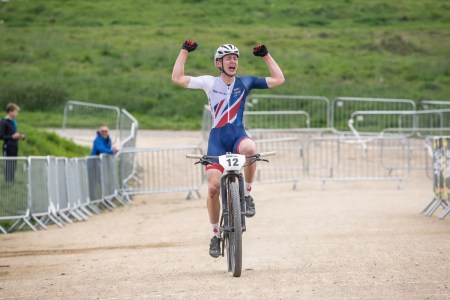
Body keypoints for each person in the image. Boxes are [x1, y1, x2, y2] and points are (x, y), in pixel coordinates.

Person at [172, 41, 285, 257]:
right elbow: (177, 78)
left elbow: (279, 79)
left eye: (236, 58)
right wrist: (184, 51)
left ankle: (248, 195)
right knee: (213, 188)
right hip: (217, 142)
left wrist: (266, 55)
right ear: (218, 63)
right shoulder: (209, 82)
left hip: (237, 136)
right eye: (228, 58)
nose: (233, 61)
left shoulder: (246, 82)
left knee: (250, 147)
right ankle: (215, 235)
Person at [0, 103, 25, 182]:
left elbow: (14, 133)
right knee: (8, 164)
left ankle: (12, 181)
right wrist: (12, 137)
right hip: (8, 146)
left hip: (14, 145)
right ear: (10, 112)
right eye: (16, 111)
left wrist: (20, 136)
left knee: (14, 164)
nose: (17, 114)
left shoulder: (13, 122)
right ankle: (7, 181)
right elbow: (1, 136)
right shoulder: (4, 122)